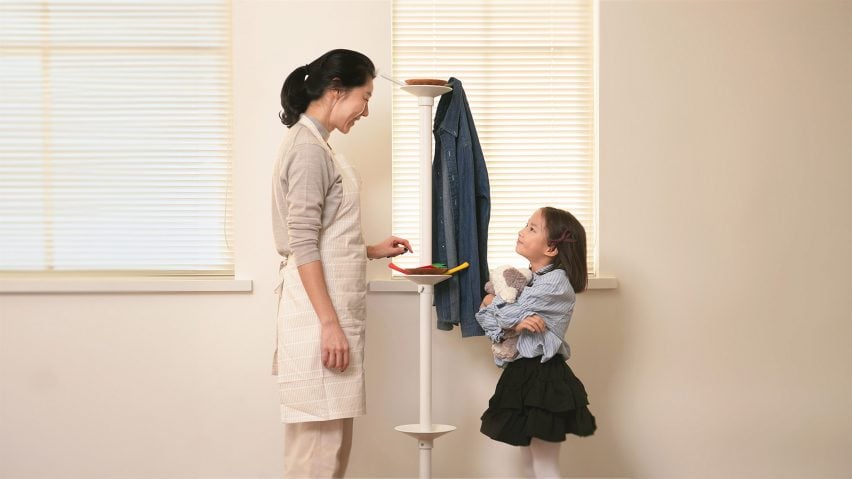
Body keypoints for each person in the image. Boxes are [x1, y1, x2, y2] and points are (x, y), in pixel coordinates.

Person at [271, 48, 412, 478]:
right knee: (317, 452)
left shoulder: (320, 146)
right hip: (318, 317)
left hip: (326, 312)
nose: (366, 110)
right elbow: (302, 241)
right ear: (336, 91)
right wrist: (329, 324)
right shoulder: (308, 149)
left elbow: (323, 231)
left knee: (329, 448)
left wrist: (369, 250)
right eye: (365, 97)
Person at [476, 207, 597, 478]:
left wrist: (493, 305)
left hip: (543, 377)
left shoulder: (555, 284)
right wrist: (503, 314)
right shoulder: (529, 279)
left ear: (552, 248)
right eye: (525, 225)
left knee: (544, 464)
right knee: (530, 462)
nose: (522, 231)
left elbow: (500, 312)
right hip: (523, 373)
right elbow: (488, 319)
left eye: (532, 228)